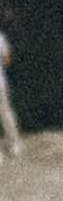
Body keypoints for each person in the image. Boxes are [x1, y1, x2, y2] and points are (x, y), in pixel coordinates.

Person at [0, 21, 19, 161]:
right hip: (0, 81)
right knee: (5, 112)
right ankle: (15, 143)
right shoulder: (1, 37)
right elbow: (7, 60)